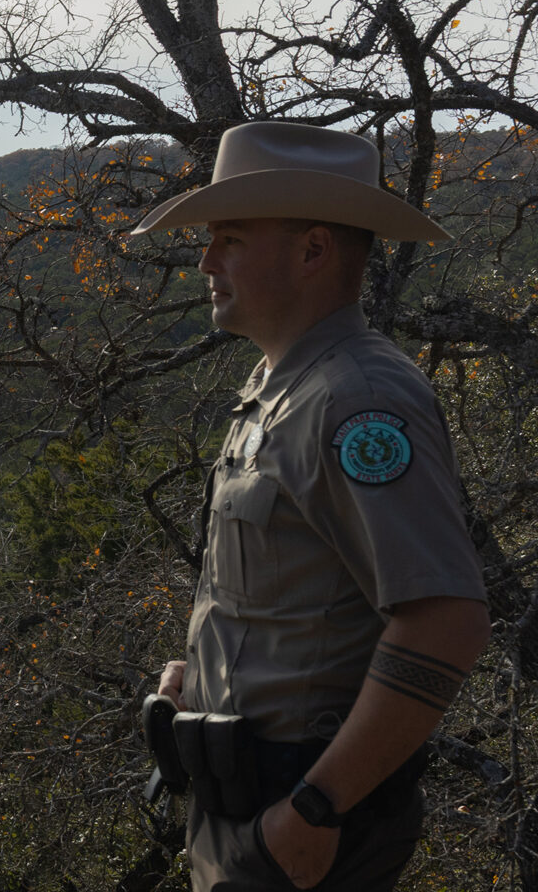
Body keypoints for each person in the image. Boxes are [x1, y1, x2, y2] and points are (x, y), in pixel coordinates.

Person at [127, 121, 491, 891]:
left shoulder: (356, 398)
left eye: (227, 238)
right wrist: (205, 667)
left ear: (313, 250)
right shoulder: (282, 391)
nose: (205, 261)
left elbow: (445, 619)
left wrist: (317, 809)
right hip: (248, 805)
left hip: (300, 820)